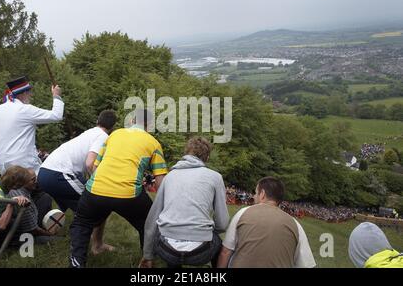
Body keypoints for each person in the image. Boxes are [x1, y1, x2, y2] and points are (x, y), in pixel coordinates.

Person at [69, 109, 168, 268]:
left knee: (81, 224)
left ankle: (76, 263)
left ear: (131, 121)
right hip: (128, 195)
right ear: (149, 125)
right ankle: (146, 260)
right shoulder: (153, 143)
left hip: (95, 189)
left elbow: (95, 165)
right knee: (148, 224)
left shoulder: (114, 135)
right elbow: (160, 181)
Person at [139, 137, 229, 268]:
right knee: (219, 244)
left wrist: (147, 255)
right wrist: (204, 230)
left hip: (166, 250)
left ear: (185, 154)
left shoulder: (169, 176)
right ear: (207, 157)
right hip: (202, 252)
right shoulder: (215, 177)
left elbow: (152, 219)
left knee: (167, 235)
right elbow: (222, 223)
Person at [38, 109, 117, 253]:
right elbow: (89, 163)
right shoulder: (103, 136)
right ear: (112, 128)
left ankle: (51, 234)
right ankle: (95, 246)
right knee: (97, 205)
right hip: (59, 173)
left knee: (80, 207)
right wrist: (100, 183)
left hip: (44, 172)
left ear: (97, 121)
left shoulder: (89, 132)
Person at [217, 177, 316, 268]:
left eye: (256, 193)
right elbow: (307, 265)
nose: (254, 197)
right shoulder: (295, 224)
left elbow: (225, 252)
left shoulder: (243, 213)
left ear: (262, 194)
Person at [0, 76, 64, 175]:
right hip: (26, 167)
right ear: (23, 93)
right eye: (29, 92)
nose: (31, 95)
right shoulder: (25, 110)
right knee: (41, 188)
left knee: (14, 190)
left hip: (3, 166)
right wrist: (56, 96)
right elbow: (56, 115)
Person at [8, 168, 56, 242]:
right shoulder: (23, 201)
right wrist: (49, 234)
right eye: (33, 180)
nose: (36, 181)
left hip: (30, 222)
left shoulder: (22, 189)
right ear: (22, 182)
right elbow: (32, 229)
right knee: (53, 240)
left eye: (36, 178)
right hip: (24, 232)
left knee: (45, 197)